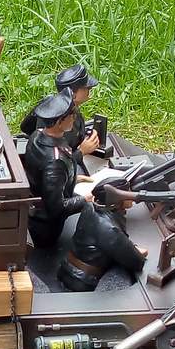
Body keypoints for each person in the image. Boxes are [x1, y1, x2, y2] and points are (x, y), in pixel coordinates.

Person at [22, 90, 90, 250]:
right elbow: (57, 208)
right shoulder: (55, 162)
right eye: (71, 115)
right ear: (60, 121)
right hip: (46, 229)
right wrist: (85, 200)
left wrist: (71, 178)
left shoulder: (37, 136)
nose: (74, 118)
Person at [58, 176, 148, 292]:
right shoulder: (110, 229)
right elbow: (137, 262)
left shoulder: (90, 206)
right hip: (83, 281)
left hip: (68, 269)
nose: (131, 194)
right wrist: (133, 250)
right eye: (127, 191)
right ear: (117, 199)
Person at [18, 65, 101, 181]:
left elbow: (25, 126)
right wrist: (82, 151)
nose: (89, 90)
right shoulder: (62, 122)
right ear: (73, 94)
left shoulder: (50, 104)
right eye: (86, 88)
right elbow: (57, 161)